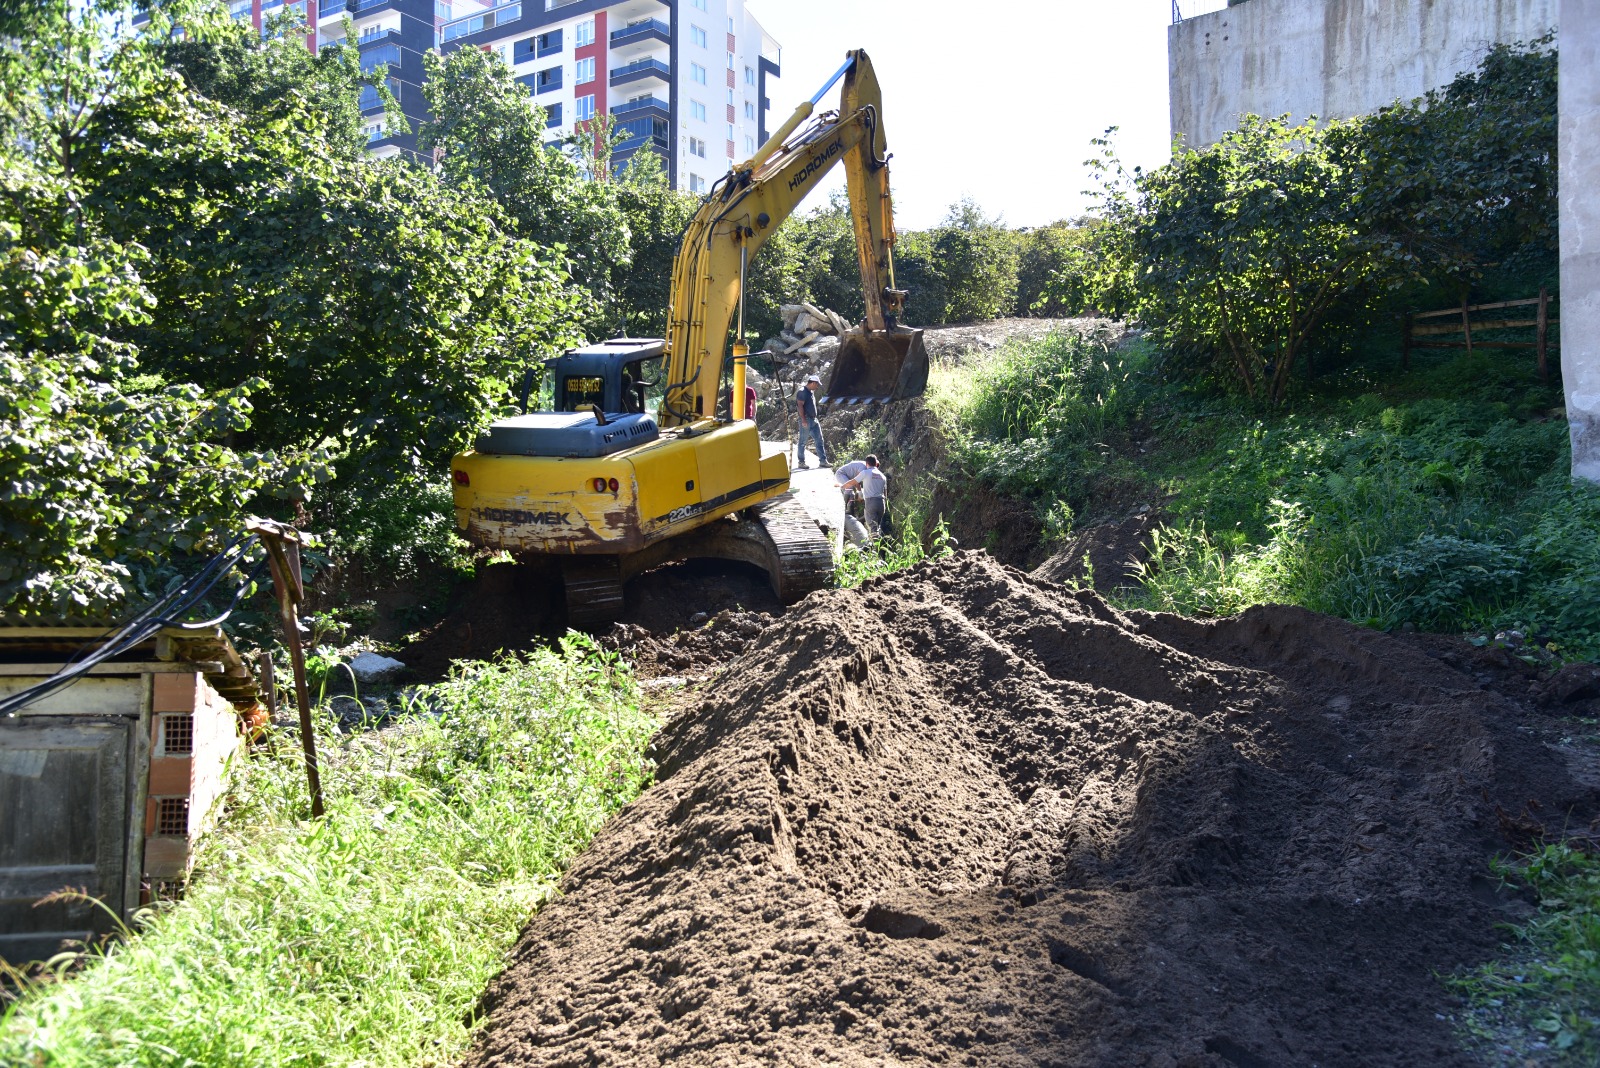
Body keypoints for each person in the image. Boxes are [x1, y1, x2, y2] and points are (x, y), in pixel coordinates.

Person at [840, 454, 888, 536]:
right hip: (881, 503)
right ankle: (881, 545)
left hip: (870, 502)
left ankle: (875, 548)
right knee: (878, 526)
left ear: (867, 463)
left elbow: (853, 482)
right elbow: (885, 493)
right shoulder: (882, 476)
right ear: (876, 463)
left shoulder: (865, 473)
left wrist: (841, 486)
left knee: (873, 528)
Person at [795, 374, 828, 468]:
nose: (817, 386)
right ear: (813, 383)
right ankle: (801, 462)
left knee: (819, 440)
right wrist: (803, 420)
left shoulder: (810, 392)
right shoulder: (802, 392)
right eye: (817, 384)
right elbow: (800, 406)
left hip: (814, 420)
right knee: (802, 442)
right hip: (806, 419)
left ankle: (823, 461)